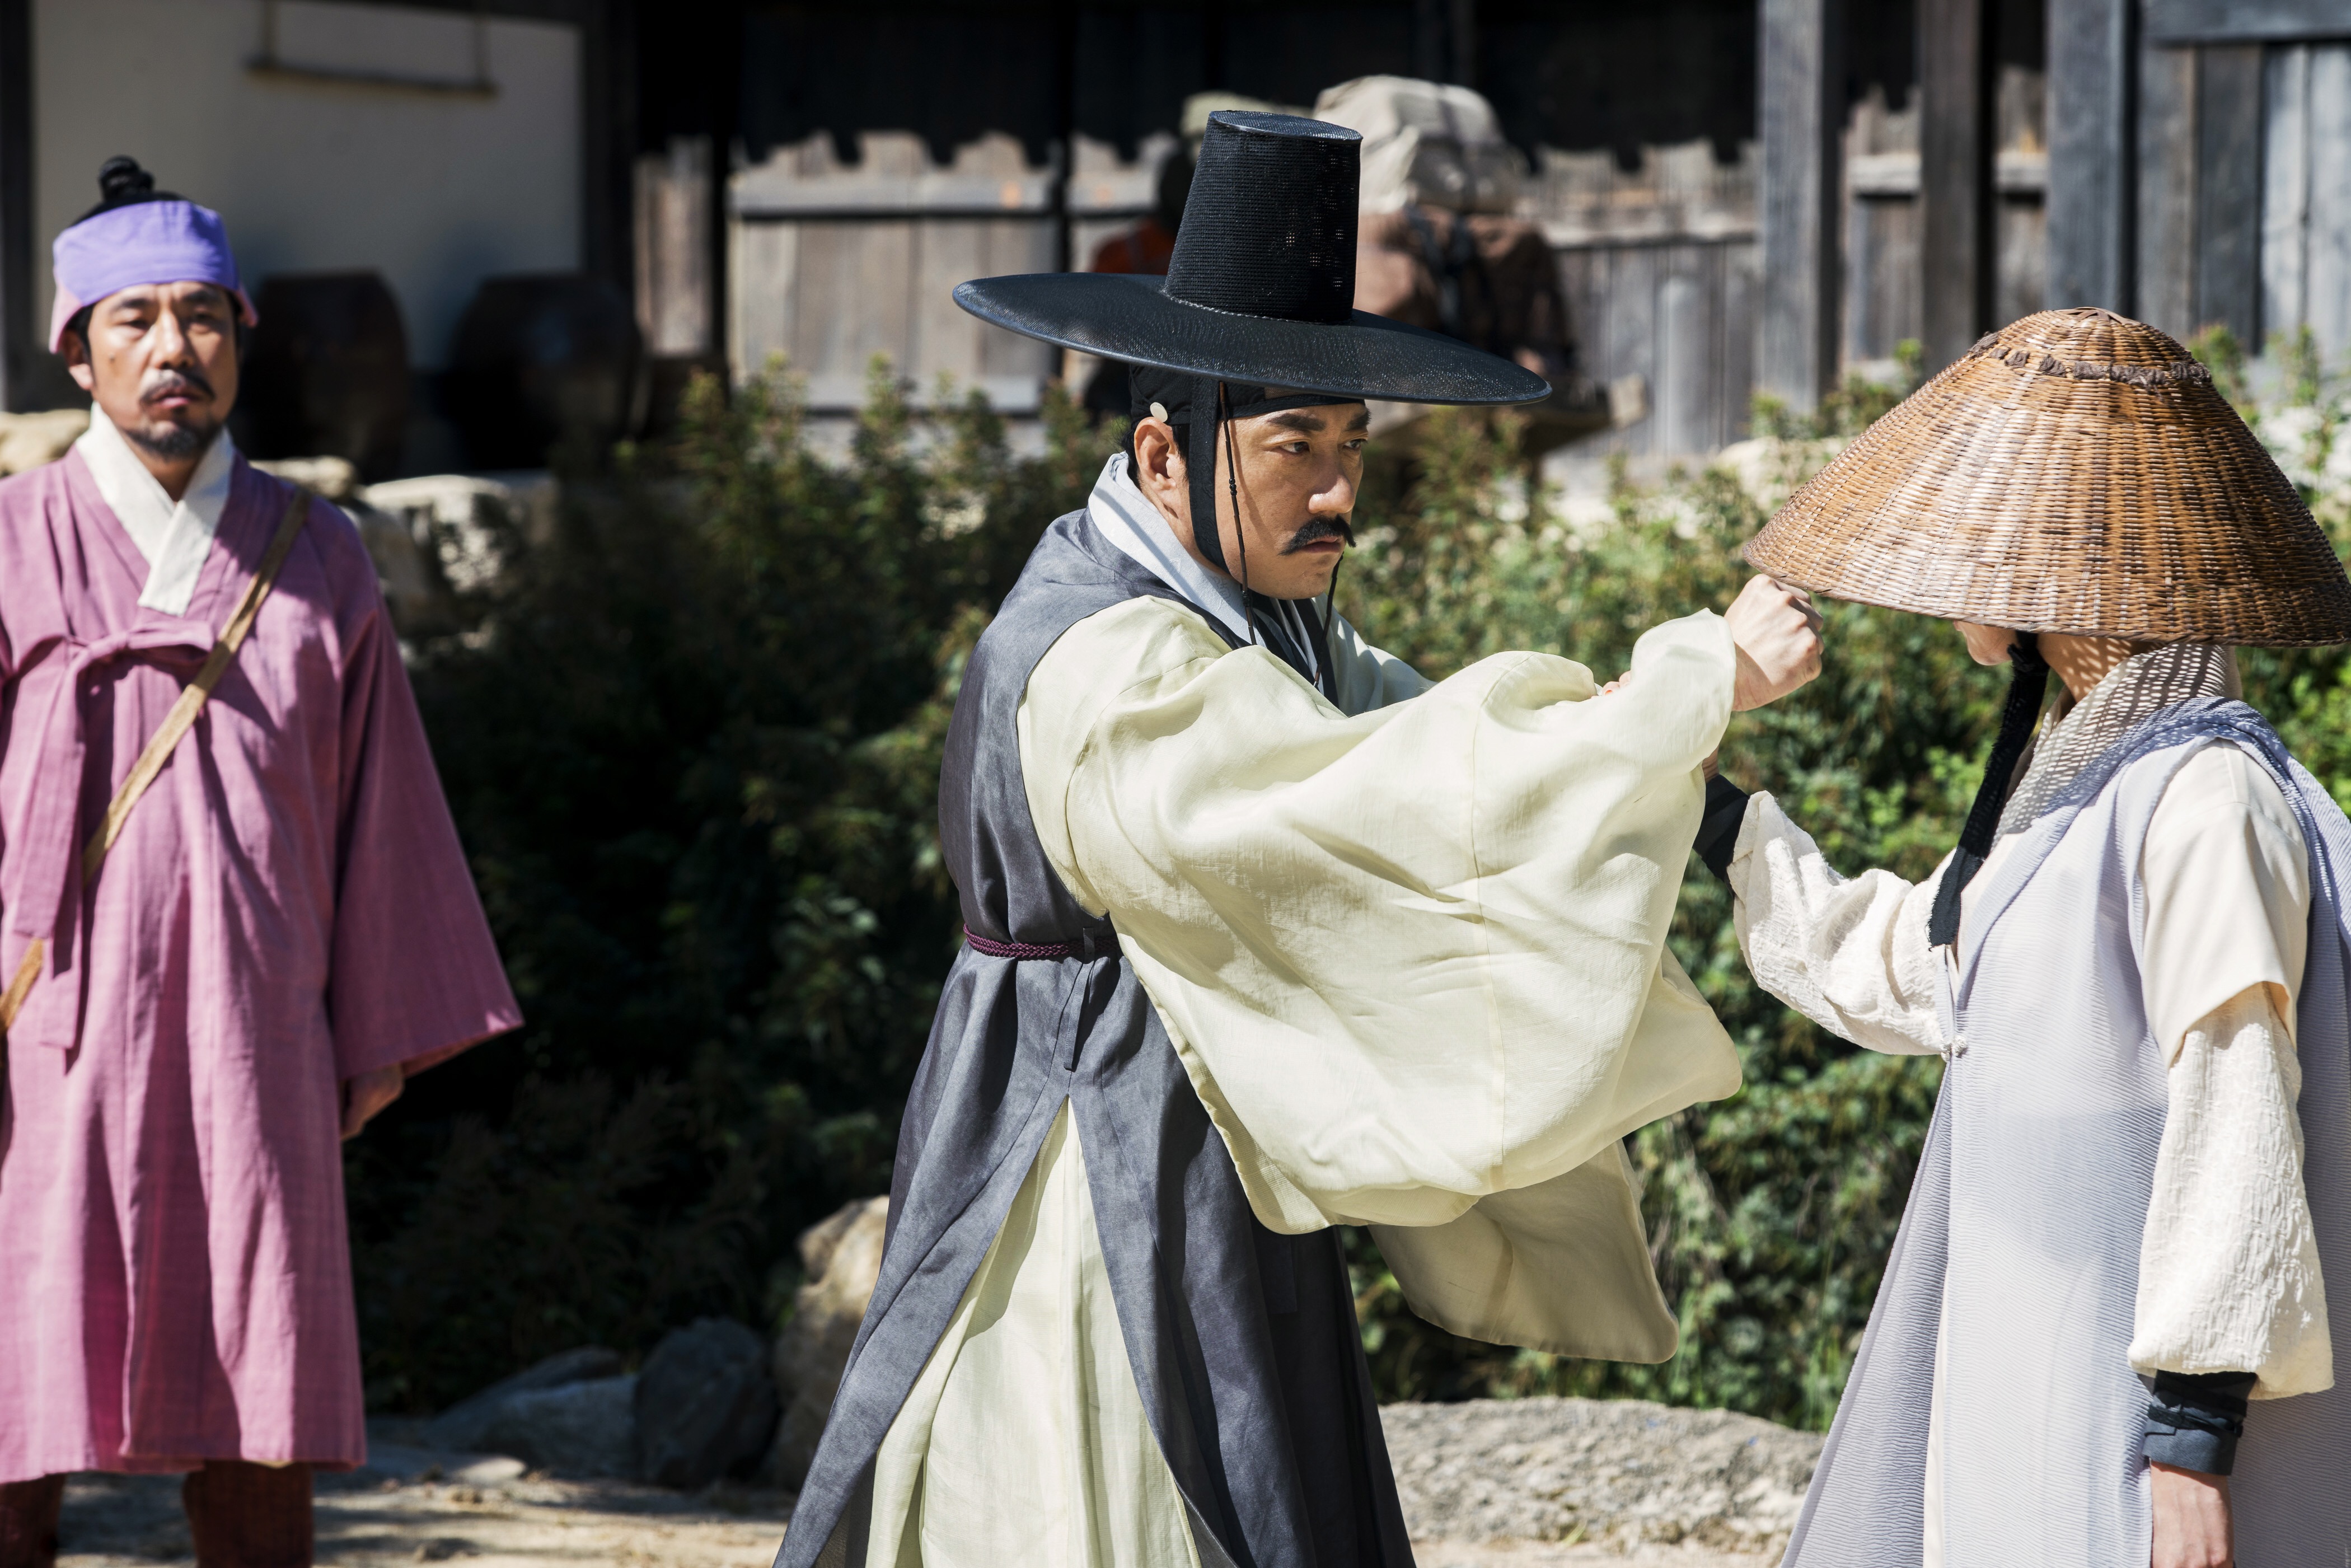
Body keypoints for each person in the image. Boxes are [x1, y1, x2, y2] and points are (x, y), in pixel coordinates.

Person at [775, 111, 1822, 1568]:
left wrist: (1667, 733)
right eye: (1293, 446)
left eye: (1350, 444)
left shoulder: (1255, 618)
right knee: (1116, 1510)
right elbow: (1379, 807)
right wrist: (1693, 676)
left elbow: (1449, 744)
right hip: (1090, 1167)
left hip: (1208, 1145)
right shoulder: (1103, 662)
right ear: (1163, 453)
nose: (1337, 490)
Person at [1710, 308, 2349, 1567]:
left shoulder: (2207, 795)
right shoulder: (2089, 787)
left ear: (2038, 585)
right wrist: (1720, 817)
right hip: (2036, 1345)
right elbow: (1920, 972)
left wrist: (2190, 1436)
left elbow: (2236, 1102)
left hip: (2142, 1405)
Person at [0, 159, 519, 1567]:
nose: (175, 351)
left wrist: (370, 1030)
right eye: (134, 323)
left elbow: (385, 812)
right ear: (76, 351)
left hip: (253, 1036)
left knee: (257, 1414)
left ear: (241, 334)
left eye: (203, 319)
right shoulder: (8, 543)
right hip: (45, 1041)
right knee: (11, 1413)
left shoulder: (322, 556)